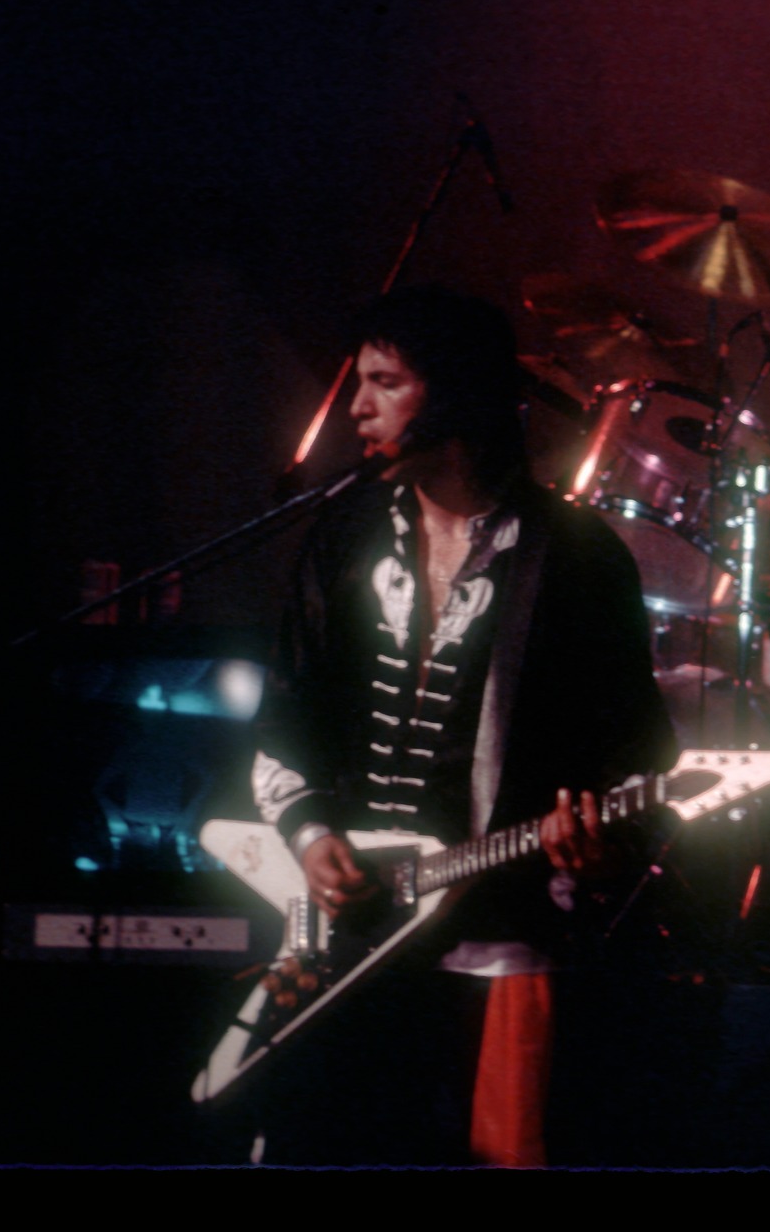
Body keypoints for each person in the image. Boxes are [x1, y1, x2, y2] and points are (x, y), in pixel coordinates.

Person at [247, 285, 675, 1166]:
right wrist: (311, 833)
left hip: (500, 946)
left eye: (385, 382)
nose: (357, 407)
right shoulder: (341, 539)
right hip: (344, 942)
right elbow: (285, 725)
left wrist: (598, 848)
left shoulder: (581, 559)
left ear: (457, 394)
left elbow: (642, 765)